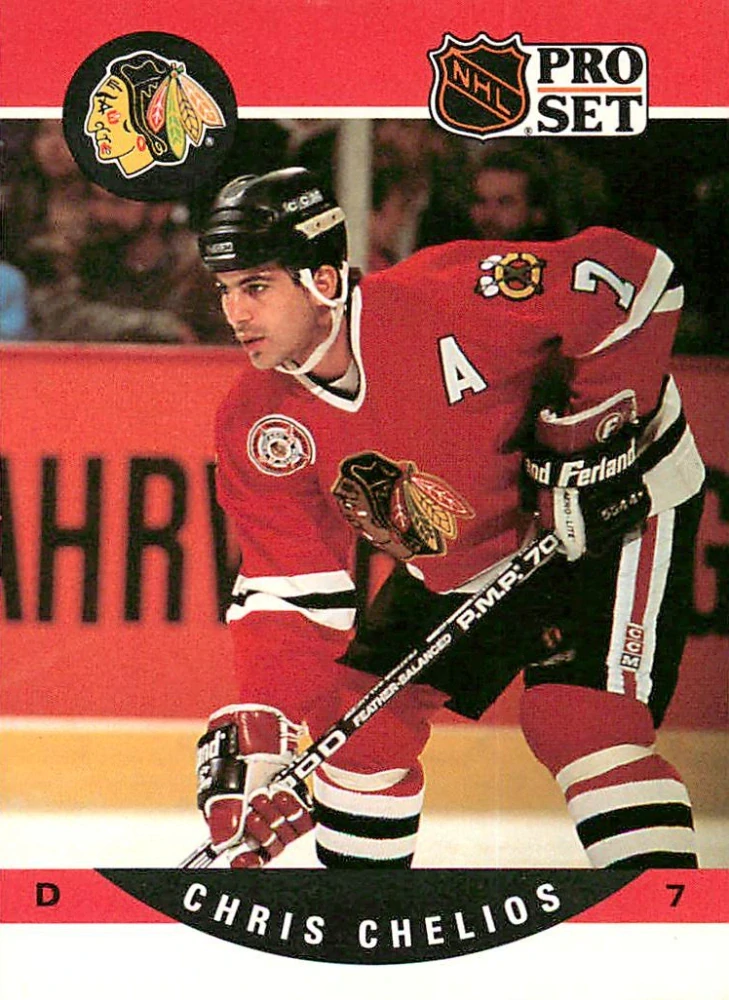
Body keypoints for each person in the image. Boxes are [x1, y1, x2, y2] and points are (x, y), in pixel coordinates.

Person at [193, 166, 705, 871]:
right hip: (469, 553)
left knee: (579, 721)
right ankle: (361, 920)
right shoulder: (257, 422)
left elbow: (636, 278)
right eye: (224, 289)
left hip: (615, 513)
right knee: (354, 731)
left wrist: (591, 438)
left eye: (255, 286)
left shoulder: (445, 294)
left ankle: (664, 918)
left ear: (323, 280)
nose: (235, 313)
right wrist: (266, 731)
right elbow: (292, 592)